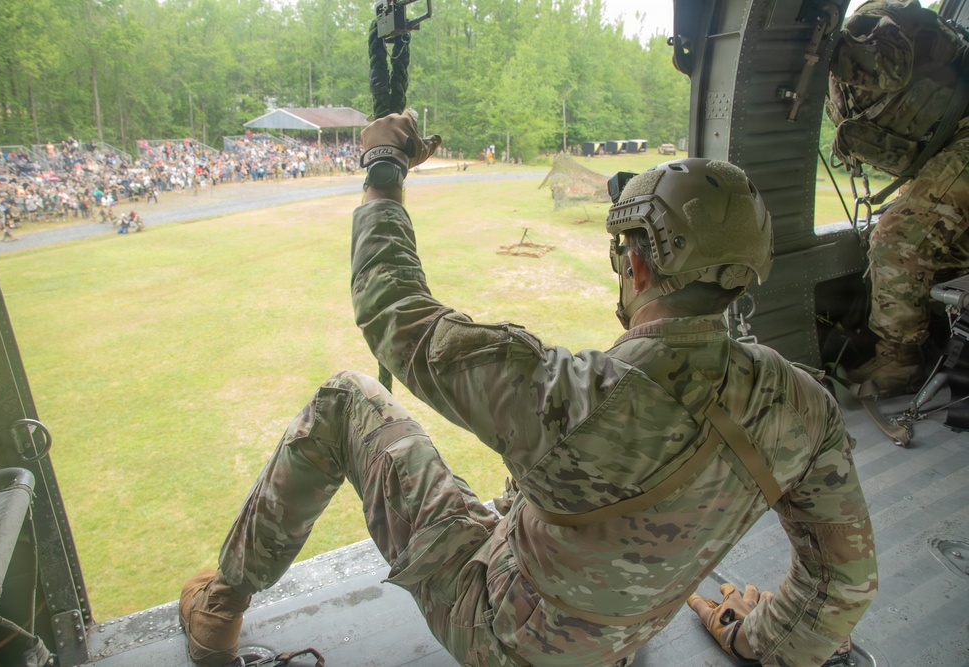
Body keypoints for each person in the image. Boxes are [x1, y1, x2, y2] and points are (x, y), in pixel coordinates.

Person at [179, 114, 876, 667]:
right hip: (617, 639)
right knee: (518, 495)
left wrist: (383, 170)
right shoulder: (802, 405)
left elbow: (393, 312)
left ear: (634, 263)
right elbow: (843, 582)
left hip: (508, 640)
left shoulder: (570, 399)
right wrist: (757, 639)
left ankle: (218, 606)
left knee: (347, 399)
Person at [825, 0, 969, 396]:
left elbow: (890, 66)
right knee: (923, 241)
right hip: (949, 150)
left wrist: (829, 49)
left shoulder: (882, 24)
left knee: (897, 240)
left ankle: (900, 362)